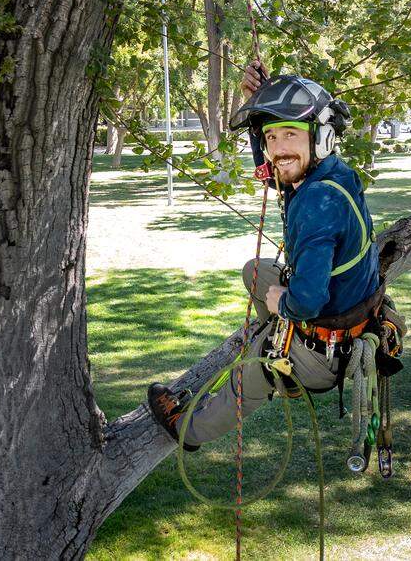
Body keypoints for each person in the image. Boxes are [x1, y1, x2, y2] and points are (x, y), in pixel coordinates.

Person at [148, 60, 385, 451]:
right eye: (272, 137)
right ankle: (280, 343)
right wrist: (255, 103)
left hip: (328, 351)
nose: (278, 149)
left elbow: (307, 302)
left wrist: (282, 303)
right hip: (347, 317)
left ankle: (189, 428)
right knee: (255, 271)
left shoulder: (317, 202)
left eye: (289, 134)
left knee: (256, 362)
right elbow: (274, 169)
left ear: (320, 137)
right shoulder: (329, 173)